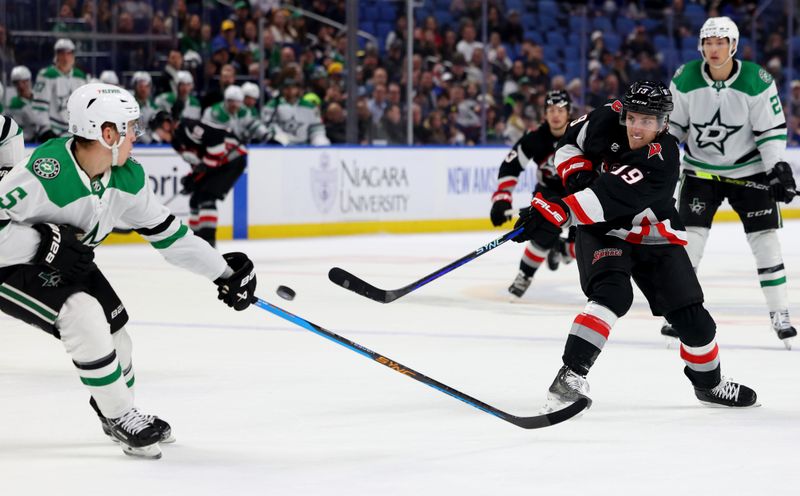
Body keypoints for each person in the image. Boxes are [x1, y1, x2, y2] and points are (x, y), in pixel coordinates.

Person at [0, 84, 257, 459]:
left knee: (118, 336)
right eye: (130, 127)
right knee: (82, 315)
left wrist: (223, 272)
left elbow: (171, 236)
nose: (136, 136)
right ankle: (121, 414)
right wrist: (45, 244)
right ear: (107, 133)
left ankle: (118, 413)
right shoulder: (45, 172)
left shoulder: (127, 179)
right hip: (12, 266)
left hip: (70, 258)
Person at [513, 80, 758, 411]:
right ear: (624, 113)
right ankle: (569, 376)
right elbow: (569, 145)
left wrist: (558, 211)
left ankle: (710, 385)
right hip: (602, 230)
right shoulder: (605, 117)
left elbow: (612, 195)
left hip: (652, 231)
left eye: (647, 121)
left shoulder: (665, 156)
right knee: (612, 294)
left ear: (663, 124)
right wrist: (576, 177)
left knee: (695, 321)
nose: (637, 128)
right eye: (632, 118)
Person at [666, 17, 797, 347]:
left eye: (721, 42)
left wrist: (777, 168)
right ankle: (679, 310)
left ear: (734, 45)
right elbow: (674, 128)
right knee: (690, 242)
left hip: (748, 171)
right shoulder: (684, 79)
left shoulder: (756, 80)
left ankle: (779, 313)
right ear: (700, 45)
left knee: (765, 241)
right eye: (708, 42)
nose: (714, 48)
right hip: (700, 173)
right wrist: (662, 160)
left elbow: (769, 131)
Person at [490, 90, 576, 299]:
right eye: (551, 110)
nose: (555, 115)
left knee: (579, 247)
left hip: (578, 194)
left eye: (560, 110)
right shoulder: (536, 137)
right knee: (541, 234)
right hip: (547, 193)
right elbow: (510, 166)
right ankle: (525, 274)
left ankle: (561, 249)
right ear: (544, 113)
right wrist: (502, 198)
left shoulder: (582, 133)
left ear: (569, 112)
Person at [149, 110, 247, 246]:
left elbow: (216, 142)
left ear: (166, 125)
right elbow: (198, 162)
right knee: (195, 200)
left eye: (157, 131)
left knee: (207, 197)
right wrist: (192, 178)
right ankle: (197, 244)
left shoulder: (188, 128)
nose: (157, 136)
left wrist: (202, 169)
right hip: (217, 163)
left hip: (233, 158)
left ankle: (208, 244)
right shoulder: (176, 142)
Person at [31, 38, 87, 141]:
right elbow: (39, 108)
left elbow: (83, 107)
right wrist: (46, 129)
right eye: (62, 54)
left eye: (68, 53)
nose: (65, 58)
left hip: (75, 131)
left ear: (73, 56)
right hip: (53, 130)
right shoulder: (46, 75)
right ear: (56, 56)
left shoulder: (80, 77)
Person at [262, 77, 330, 146]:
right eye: (287, 88)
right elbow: (267, 125)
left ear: (298, 89)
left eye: (293, 87)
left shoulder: (310, 107)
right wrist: (277, 135)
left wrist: (318, 138)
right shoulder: (273, 105)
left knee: (322, 142)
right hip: (282, 143)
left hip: (304, 143)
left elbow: (316, 127)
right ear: (282, 89)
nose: (290, 90)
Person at [201, 85, 268, 144]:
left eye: (238, 101)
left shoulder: (245, 112)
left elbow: (254, 125)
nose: (234, 104)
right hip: (217, 145)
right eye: (231, 101)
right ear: (225, 100)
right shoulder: (212, 111)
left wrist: (265, 134)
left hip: (238, 146)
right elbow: (204, 130)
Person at [7, 66, 37, 142]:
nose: (21, 86)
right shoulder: (14, 105)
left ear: (29, 81)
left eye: (24, 82)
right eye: (17, 83)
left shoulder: (40, 98)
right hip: (28, 142)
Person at [129, 71, 159, 141]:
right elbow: (137, 130)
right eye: (140, 86)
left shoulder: (154, 106)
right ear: (134, 87)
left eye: (146, 86)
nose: (143, 89)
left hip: (151, 146)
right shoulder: (128, 105)